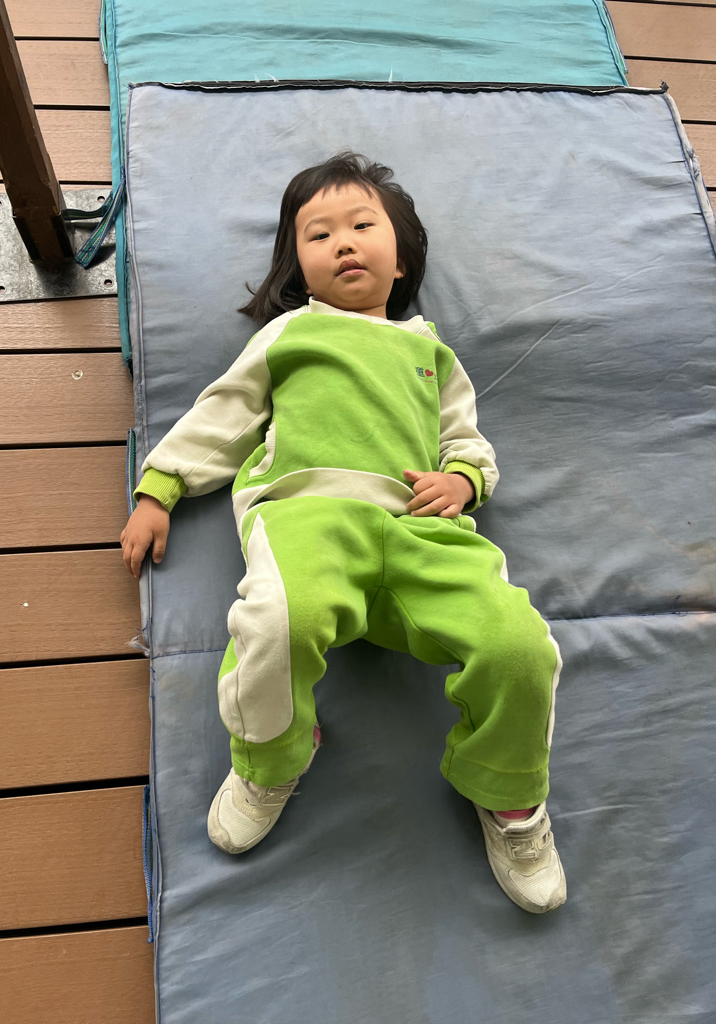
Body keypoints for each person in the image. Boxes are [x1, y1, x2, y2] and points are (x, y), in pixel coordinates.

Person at [120, 152, 566, 914]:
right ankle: (272, 757)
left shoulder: (430, 353)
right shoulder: (291, 335)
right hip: (311, 517)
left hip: (422, 530)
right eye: (319, 234)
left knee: (522, 646)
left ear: (402, 258)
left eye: (363, 225)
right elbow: (223, 414)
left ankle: (509, 790)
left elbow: (467, 442)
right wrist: (160, 486)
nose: (344, 243)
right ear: (298, 266)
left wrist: (463, 481)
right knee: (274, 623)